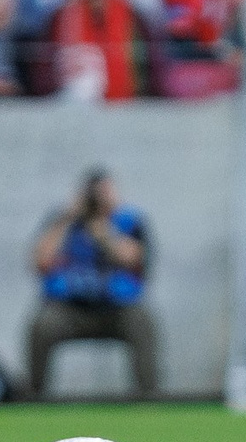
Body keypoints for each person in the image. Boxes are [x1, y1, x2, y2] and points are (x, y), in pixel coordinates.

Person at [26, 170, 158, 399]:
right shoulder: (62, 223)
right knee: (43, 324)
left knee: (142, 320)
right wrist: (69, 217)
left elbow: (134, 259)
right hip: (70, 310)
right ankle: (34, 395)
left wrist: (103, 231)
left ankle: (148, 397)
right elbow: (41, 261)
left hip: (117, 309)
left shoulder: (129, 221)